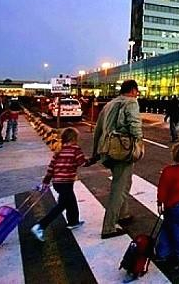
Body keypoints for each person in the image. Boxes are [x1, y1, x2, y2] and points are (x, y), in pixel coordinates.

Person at [90, 79, 142, 239]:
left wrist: (95, 154)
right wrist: (139, 143)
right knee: (118, 188)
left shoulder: (109, 104)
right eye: (137, 91)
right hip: (121, 150)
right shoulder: (131, 102)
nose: (137, 94)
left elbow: (98, 129)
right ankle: (109, 227)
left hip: (107, 149)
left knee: (125, 181)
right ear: (133, 90)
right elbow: (135, 126)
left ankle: (123, 213)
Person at [30, 127, 87, 241]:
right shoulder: (75, 149)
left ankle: (73, 221)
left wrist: (46, 181)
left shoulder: (59, 150)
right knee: (62, 205)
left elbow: (51, 167)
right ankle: (40, 226)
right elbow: (83, 162)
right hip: (66, 182)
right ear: (74, 138)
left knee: (70, 201)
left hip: (57, 182)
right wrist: (95, 159)